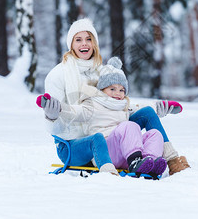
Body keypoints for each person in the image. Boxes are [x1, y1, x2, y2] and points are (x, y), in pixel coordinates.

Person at [44, 18, 190, 175]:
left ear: (94, 44)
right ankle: (124, 163)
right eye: (78, 40)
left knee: (147, 113)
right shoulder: (58, 75)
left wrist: (157, 109)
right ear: (71, 44)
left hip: (108, 136)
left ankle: (171, 161)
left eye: (88, 39)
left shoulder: (101, 71)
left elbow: (116, 106)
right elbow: (56, 126)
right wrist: (52, 117)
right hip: (75, 145)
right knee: (101, 136)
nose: (84, 44)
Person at [41, 57, 169, 177]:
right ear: (102, 89)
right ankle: (135, 161)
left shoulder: (123, 105)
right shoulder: (93, 104)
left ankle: (149, 163)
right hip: (106, 150)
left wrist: (158, 108)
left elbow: (139, 107)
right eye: (112, 89)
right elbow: (75, 112)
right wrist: (58, 108)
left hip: (125, 152)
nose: (117, 93)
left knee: (154, 134)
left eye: (121, 90)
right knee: (129, 126)